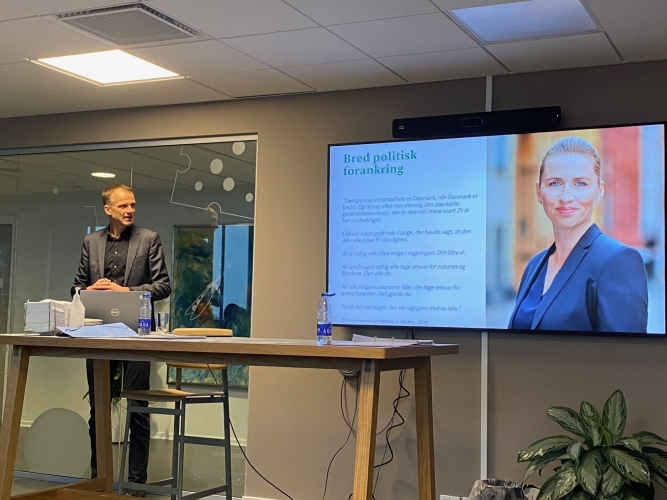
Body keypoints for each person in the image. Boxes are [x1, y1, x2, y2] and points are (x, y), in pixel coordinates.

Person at [73, 184, 171, 496]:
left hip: (136, 335)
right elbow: (76, 287)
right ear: (108, 209)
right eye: (123, 206)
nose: (130, 210)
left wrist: (125, 291)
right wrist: (90, 290)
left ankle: (135, 486)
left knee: (138, 407)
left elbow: (163, 286)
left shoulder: (149, 239)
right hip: (98, 333)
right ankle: (99, 480)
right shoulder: (91, 242)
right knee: (98, 409)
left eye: (133, 205)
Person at [508, 137, 648, 333]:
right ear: (538, 192)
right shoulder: (534, 265)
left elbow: (625, 351)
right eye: (554, 183)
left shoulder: (619, 262)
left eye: (580, 184)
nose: (566, 197)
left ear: (599, 191)